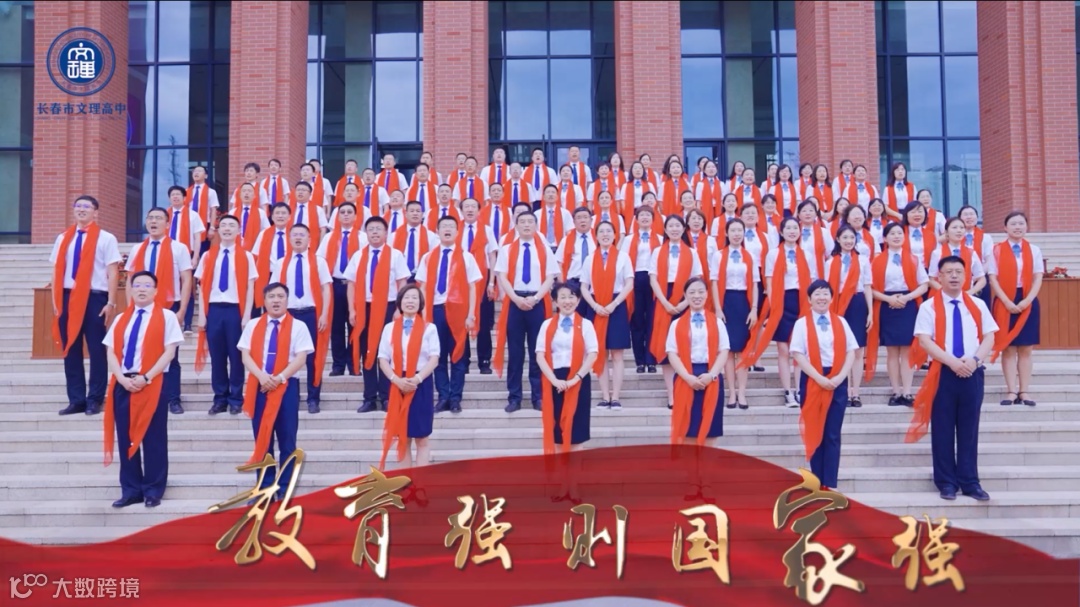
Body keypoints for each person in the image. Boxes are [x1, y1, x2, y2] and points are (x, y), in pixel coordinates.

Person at [911, 256, 997, 501]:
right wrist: (952, 362)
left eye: (958, 271)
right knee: (943, 428)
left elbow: (990, 336)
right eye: (948, 272)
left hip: (972, 370)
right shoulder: (929, 306)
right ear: (939, 276)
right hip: (943, 372)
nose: (954, 276)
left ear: (966, 275)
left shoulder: (977, 305)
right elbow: (924, 340)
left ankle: (970, 481)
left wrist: (975, 361)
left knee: (969, 429)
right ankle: (946, 482)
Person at [102, 270, 184, 508]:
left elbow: (169, 352)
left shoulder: (167, 317)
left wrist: (146, 377)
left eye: (147, 285)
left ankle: (153, 489)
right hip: (123, 383)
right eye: (137, 285)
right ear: (130, 290)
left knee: (154, 438)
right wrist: (121, 379)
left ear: (156, 291)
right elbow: (111, 352)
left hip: (153, 382)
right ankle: (131, 490)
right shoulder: (121, 319)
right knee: (126, 438)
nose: (141, 289)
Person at [237, 282, 314, 501]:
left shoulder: (298, 326)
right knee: (263, 439)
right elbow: (245, 355)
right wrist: (262, 376)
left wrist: (279, 378)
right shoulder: (253, 325)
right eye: (271, 296)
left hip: (286, 387)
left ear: (287, 300)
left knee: (287, 439)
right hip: (259, 386)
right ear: (264, 301)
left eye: (281, 296)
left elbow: (301, 358)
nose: (276, 300)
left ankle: (285, 488)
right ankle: (265, 488)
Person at [51, 195, 123, 416]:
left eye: (87, 206)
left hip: (95, 298)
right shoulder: (63, 238)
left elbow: (113, 272)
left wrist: (111, 302)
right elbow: (56, 270)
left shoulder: (106, 238)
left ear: (95, 212)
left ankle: (95, 399)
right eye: (78, 206)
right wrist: (55, 301)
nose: (81, 209)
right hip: (67, 298)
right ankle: (76, 400)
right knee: (70, 349)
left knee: (96, 350)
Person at [789, 280, 859, 491]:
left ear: (831, 297)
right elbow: (798, 354)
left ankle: (830, 482)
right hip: (812, 379)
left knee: (832, 433)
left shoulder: (841, 322)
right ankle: (816, 481)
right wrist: (819, 378)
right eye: (817, 294)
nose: (822, 297)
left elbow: (851, 351)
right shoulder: (801, 324)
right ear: (809, 299)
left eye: (825, 293)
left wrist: (840, 377)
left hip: (837, 379)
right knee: (815, 431)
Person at [125, 207, 192, 415]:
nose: (153, 222)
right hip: (141, 307)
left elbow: (186, 279)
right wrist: (130, 308)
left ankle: (173, 398)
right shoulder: (138, 249)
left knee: (171, 355)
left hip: (169, 306)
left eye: (158, 218)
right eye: (150, 218)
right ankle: (147, 394)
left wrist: (182, 310)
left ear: (168, 223)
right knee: (143, 352)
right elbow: (130, 280)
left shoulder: (179, 248)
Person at [536, 281, 599, 504]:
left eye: (572, 296)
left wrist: (576, 378)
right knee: (558, 437)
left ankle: (574, 486)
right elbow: (540, 355)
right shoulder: (546, 325)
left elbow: (593, 354)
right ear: (555, 301)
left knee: (576, 437)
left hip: (578, 381)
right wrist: (554, 379)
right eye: (562, 297)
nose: (567, 301)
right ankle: (562, 485)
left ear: (578, 300)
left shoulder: (586, 325)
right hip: (554, 381)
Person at [743, 217, 816, 407]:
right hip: (781, 302)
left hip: (801, 302)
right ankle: (787, 391)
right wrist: (774, 307)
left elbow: (813, 281)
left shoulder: (807, 254)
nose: (792, 231)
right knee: (783, 349)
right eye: (788, 228)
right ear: (782, 232)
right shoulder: (773, 254)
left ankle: (799, 390)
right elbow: (769, 282)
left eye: (795, 228)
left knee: (799, 349)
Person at [494, 210, 559, 413]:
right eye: (522, 221)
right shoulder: (506, 249)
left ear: (536, 225)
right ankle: (514, 397)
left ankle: (538, 396)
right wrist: (516, 298)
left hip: (537, 301)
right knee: (515, 353)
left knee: (537, 351)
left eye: (530, 221)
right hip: (515, 301)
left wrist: (536, 298)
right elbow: (502, 277)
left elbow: (550, 277)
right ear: (516, 225)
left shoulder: (545, 249)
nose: (526, 225)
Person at [415, 216, 481, 413]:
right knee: (438, 355)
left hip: (458, 311)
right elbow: (422, 287)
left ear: (457, 232)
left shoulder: (466, 257)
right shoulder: (428, 257)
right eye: (444, 226)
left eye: (452, 226)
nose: (448, 229)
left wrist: (471, 314)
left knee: (458, 356)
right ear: (437, 231)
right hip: (435, 310)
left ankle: (455, 398)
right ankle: (443, 396)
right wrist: (424, 317)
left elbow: (472, 287)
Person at [346, 216, 412, 413]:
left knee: (386, 353)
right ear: (366, 233)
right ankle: (369, 398)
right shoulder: (358, 256)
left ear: (385, 233)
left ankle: (386, 396)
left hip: (388, 308)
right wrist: (352, 310)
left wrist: (400, 310)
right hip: (364, 308)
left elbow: (402, 283)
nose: (375, 232)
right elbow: (351, 284)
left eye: (378, 229)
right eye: (371, 229)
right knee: (367, 352)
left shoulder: (395, 255)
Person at [195, 215, 258, 415]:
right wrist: (202, 315)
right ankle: (220, 398)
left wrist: (246, 315)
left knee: (236, 356)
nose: (227, 228)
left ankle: (236, 398)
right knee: (217, 357)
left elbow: (250, 287)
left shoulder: (246, 256)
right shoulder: (208, 255)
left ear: (239, 231)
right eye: (223, 225)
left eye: (232, 225)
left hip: (235, 310)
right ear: (218, 230)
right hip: (214, 310)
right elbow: (202, 287)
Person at [378, 284, 441, 470]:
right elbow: (383, 358)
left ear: (421, 303)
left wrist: (417, 379)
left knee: (422, 438)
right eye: (406, 297)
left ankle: (421, 481)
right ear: (399, 302)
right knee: (403, 438)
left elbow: (434, 358)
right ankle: (407, 482)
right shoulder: (389, 328)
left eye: (414, 298)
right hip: (398, 383)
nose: (410, 301)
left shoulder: (430, 328)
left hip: (421, 383)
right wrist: (396, 380)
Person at [271, 224, 332, 414]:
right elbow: (274, 291)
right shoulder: (281, 263)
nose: (298, 238)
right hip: (288, 315)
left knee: (313, 358)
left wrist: (324, 314)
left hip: (311, 313)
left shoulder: (319, 261)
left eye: (302, 235)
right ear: (289, 239)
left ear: (309, 239)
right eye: (295, 235)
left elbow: (326, 289)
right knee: (287, 356)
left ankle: (313, 398)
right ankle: (290, 396)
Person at [867, 222, 929, 407]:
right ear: (885, 238)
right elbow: (870, 287)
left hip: (908, 305)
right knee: (892, 352)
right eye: (892, 233)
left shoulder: (914, 259)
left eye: (900, 233)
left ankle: (907, 392)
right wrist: (888, 299)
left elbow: (924, 284)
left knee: (908, 350)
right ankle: (896, 391)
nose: (896, 236)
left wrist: (907, 298)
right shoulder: (876, 261)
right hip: (886, 305)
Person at [666, 277, 730, 449]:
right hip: (686, 376)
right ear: (685, 295)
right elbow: (672, 353)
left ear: (707, 294)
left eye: (701, 292)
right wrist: (687, 377)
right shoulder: (676, 324)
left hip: (711, 376)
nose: (697, 296)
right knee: (688, 430)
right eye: (692, 292)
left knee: (710, 431)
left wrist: (712, 375)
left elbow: (724, 350)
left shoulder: (717, 322)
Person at [988, 211, 1044, 407]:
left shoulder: (1034, 250)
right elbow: (992, 278)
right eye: (1013, 224)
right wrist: (1006, 301)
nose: (1018, 227)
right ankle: (1011, 391)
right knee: (1008, 348)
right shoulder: (996, 250)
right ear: (1005, 228)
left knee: (1026, 348)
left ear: (1026, 227)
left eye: (1021, 223)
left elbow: (1038, 277)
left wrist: (1027, 300)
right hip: (1004, 300)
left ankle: (1024, 391)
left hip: (1027, 299)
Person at [649, 215, 703, 409]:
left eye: (677, 226)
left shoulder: (692, 253)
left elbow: (697, 280)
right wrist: (664, 302)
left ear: (683, 228)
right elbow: (653, 279)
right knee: (666, 349)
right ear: (665, 229)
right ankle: (671, 395)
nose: (674, 229)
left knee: (685, 345)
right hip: (663, 299)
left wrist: (685, 303)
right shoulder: (657, 251)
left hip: (686, 299)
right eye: (670, 226)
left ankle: (685, 390)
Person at [580, 221, 634, 410]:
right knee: (599, 353)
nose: (605, 234)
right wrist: (595, 306)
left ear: (615, 235)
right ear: (595, 236)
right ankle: (605, 396)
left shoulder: (623, 257)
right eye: (601, 231)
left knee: (617, 354)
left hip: (616, 305)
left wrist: (614, 304)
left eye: (608, 231)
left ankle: (616, 396)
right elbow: (584, 287)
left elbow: (629, 284)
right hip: (595, 307)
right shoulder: (589, 259)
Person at [316, 202, 367, 377]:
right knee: (336, 327)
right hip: (335, 285)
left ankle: (354, 364)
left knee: (355, 325)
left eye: (349, 212)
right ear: (337, 217)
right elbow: (320, 261)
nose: (345, 215)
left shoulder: (363, 238)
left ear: (355, 216)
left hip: (356, 287)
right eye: (342, 212)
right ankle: (338, 365)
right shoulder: (329, 238)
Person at [712, 218, 758, 409]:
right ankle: (731, 392)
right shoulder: (718, 255)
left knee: (743, 351)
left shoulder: (750, 255)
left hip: (744, 302)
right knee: (729, 350)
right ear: (726, 233)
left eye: (740, 230)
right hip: (726, 302)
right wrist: (718, 308)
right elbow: (714, 282)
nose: (737, 234)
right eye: (733, 230)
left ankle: (742, 392)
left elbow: (755, 283)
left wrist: (754, 308)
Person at [825, 227, 873, 408]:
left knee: (858, 350)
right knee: (842, 349)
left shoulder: (863, 260)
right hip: (838, 304)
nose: (848, 241)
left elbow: (867, 286)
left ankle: (856, 392)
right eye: (844, 237)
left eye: (852, 237)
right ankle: (843, 390)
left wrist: (870, 312)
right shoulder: (831, 262)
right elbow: (827, 289)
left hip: (858, 303)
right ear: (837, 239)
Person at [458, 198, 500, 375]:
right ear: (461, 210)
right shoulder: (455, 228)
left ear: (478, 210)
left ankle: (484, 361)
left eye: (473, 207)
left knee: (483, 322)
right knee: (461, 322)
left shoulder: (487, 230)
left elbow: (492, 257)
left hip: (482, 280)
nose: (469, 209)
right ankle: (463, 361)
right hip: (460, 280)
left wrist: (491, 282)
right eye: (466, 206)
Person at [623, 206, 660, 374]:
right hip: (635, 280)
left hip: (654, 281)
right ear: (636, 220)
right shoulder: (628, 240)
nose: (645, 218)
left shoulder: (660, 239)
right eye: (641, 215)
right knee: (637, 321)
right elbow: (624, 262)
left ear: (653, 219)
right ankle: (639, 360)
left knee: (652, 321)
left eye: (648, 215)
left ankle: (651, 360)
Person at [252, 203, 294, 315]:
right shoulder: (264, 234)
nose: (280, 216)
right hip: (268, 275)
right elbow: (255, 256)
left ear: (289, 216)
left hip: (289, 273)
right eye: (277, 213)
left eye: (283, 213)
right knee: (270, 306)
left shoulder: (294, 234)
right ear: (272, 216)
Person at [929, 217, 987, 297]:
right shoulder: (937, 253)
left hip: (966, 296)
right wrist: (947, 293)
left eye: (962, 228)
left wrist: (970, 292)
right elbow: (931, 279)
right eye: (954, 227)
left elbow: (982, 279)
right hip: (942, 296)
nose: (959, 230)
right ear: (946, 232)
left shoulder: (972, 253)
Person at [394, 200, 438, 278]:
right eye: (412, 211)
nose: (415, 213)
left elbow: (435, 257)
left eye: (418, 211)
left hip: (423, 276)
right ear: (406, 214)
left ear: (422, 214)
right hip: (400, 276)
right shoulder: (394, 235)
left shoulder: (431, 236)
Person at [230, 182, 270, 251]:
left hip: (255, 248)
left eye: (249, 191)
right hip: (235, 247)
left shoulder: (261, 213)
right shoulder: (232, 212)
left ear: (254, 195)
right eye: (244, 191)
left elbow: (267, 231)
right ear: (240, 195)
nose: (246, 193)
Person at [290, 181, 329, 245]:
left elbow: (323, 229)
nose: (300, 192)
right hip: (290, 244)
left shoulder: (318, 209)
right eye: (298, 190)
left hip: (310, 244)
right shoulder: (288, 209)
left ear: (310, 194)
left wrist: (321, 245)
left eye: (303, 190)